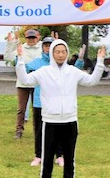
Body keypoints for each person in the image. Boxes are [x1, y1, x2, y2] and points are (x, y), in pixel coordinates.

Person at [15, 39, 106, 178]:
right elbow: (25, 80)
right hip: (50, 121)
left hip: (70, 121)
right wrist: (20, 60)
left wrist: (100, 62)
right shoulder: (44, 72)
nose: (60, 55)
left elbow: (91, 81)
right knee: (48, 157)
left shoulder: (73, 71)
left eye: (63, 52)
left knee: (69, 158)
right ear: (52, 53)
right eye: (57, 52)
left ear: (67, 53)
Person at [26, 36, 85, 167]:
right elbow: (25, 71)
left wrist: (80, 59)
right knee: (39, 130)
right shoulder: (37, 62)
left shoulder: (61, 61)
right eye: (45, 45)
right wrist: (16, 54)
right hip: (39, 102)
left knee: (59, 131)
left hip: (58, 105)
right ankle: (38, 155)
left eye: (50, 45)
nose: (47, 48)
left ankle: (59, 155)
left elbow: (74, 71)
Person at [4, 28, 43, 139]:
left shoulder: (42, 48)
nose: (31, 40)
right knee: (21, 109)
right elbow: (8, 57)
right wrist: (10, 43)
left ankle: (38, 131)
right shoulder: (20, 48)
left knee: (38, 109)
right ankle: (19, 130)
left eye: (33, 37)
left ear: (38, 37)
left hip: (37, 83)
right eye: (29, 38)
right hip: (23, 83)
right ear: (25, 38)